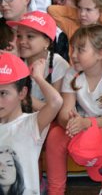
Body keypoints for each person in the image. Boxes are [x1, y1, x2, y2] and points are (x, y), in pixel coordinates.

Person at [45, 25, 102, 195]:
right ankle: (55, 191)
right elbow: (64, 112)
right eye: (72, 48)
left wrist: (86, 123)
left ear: (101, 53)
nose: (73, 55)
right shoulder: (72, 73)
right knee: (55, 136)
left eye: (80, 50)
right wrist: (70, 123)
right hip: (84, 124)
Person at [0, 53, 63, 195]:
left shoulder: (30, 124)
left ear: (22, 93)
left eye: (3, 93)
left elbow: (56, 102)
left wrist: (38, 77)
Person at [8, 11, 69, 111]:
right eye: (19, 36)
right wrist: (9, 63)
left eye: (30, 36)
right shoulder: (15, 60)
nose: (22, 41)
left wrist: (22, 97)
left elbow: (55, 111)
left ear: (47, 42)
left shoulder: (59, 64)